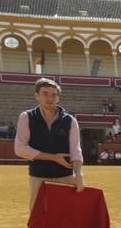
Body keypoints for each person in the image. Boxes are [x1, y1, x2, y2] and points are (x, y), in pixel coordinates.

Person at [14, 78, 84, 211]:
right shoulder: (27, 117)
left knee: (65, 220)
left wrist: (79, 174)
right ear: (37, 96)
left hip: (66, 178)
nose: (49, 98)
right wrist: (53, 157)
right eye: (45, 94)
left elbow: (76, 151)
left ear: (58, 98)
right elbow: (20, 149)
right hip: (39, 179)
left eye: (54, 95)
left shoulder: (70, 120)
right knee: (39, 220)